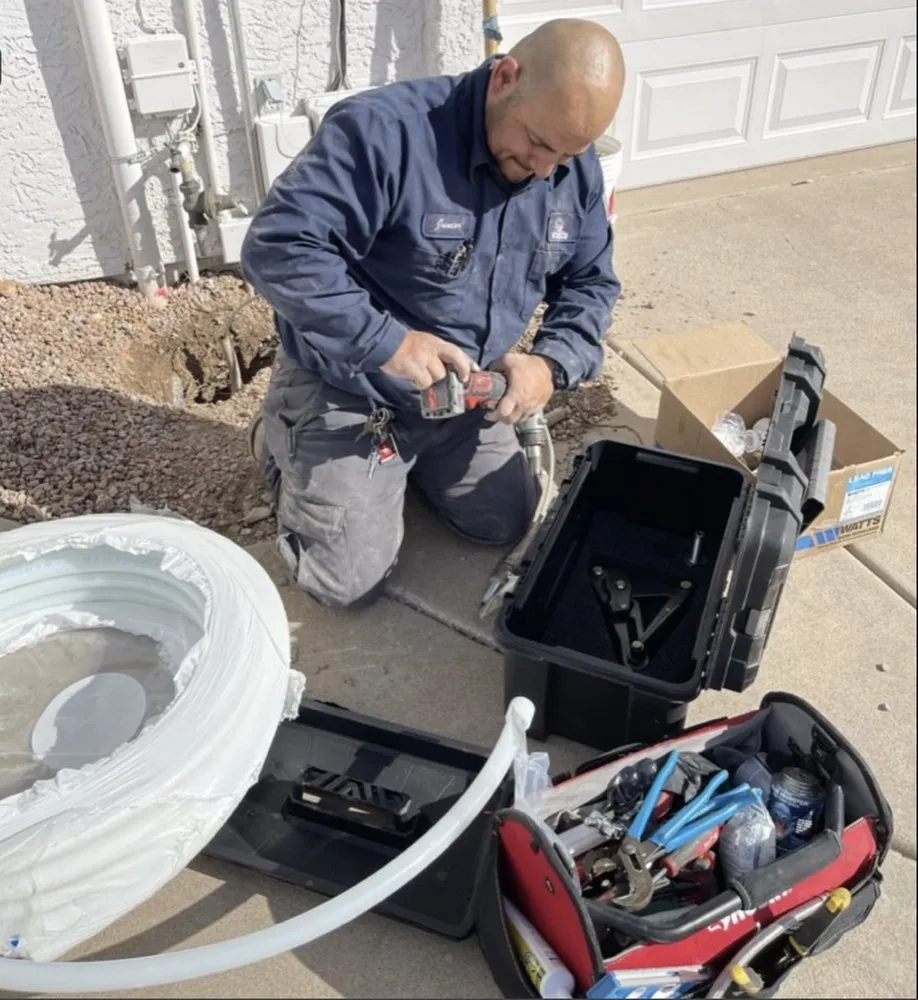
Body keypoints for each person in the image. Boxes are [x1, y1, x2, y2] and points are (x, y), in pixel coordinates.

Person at [241, 17, 625, 609]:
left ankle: (399, 471)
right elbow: (279, 247)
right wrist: (387, 342)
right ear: (505, 78)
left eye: (567, 155)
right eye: (540, 145)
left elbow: (591, 280)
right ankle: (283, 439)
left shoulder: (567, 162)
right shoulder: (384, 134)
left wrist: (551, 360)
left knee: (506, 523)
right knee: (346, 586)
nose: (547, 169)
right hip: (353, 388)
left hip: (462, 395)